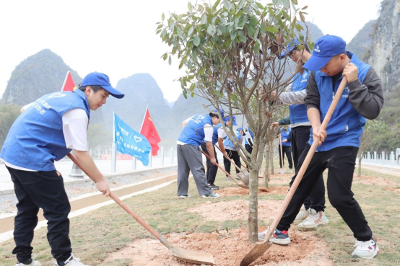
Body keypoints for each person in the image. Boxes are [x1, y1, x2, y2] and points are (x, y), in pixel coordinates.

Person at [260, 35, 384, 259]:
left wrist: (354, 82)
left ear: (342, 57)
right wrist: (316, 127)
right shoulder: (318, 74)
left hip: (345, 141)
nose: (322, 69)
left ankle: (366, 239)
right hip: (318, 139)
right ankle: (280, 230)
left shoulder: (365, 73)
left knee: (338, 195)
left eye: (326, 64)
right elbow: (312, 103)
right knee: (298, 184)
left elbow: (373, 110)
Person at [0, 72, 125, 266]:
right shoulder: (77, 111)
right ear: (89, 90)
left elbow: (25, 108)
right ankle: (65, 260)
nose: (104, 102)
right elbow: (82, 153)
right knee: (58, 209)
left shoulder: (58, 96)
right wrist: (100, 180)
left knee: (27, 208)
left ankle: (23, 261)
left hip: (12, 155)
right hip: (32, 159)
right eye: (103, 96)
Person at [270, 38, 329, 228]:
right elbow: (285, 96)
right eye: (289, 55)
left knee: (311, 168)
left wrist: (280, 97)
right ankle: (306, 206)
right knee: (300, 169)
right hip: (295, 127)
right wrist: (272, 98)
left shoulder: (315, 70)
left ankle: (318, 211)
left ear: (302, 49)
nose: (292, 57)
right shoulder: (297, 75)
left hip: (309, 125)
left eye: (293, 53)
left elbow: (306, 96)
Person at [177, 110, 221, 198]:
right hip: (191, 144)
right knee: (198, 168)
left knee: (183, 169)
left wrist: (188, 135)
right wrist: (213, 158)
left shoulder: (197, 115)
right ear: (215, 117)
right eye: (219, 120)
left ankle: (182, 193)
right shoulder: (208, 125)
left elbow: (184, 123)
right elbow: (209, 144)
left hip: (180, 142)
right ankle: (206, 192)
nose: (218, 123)